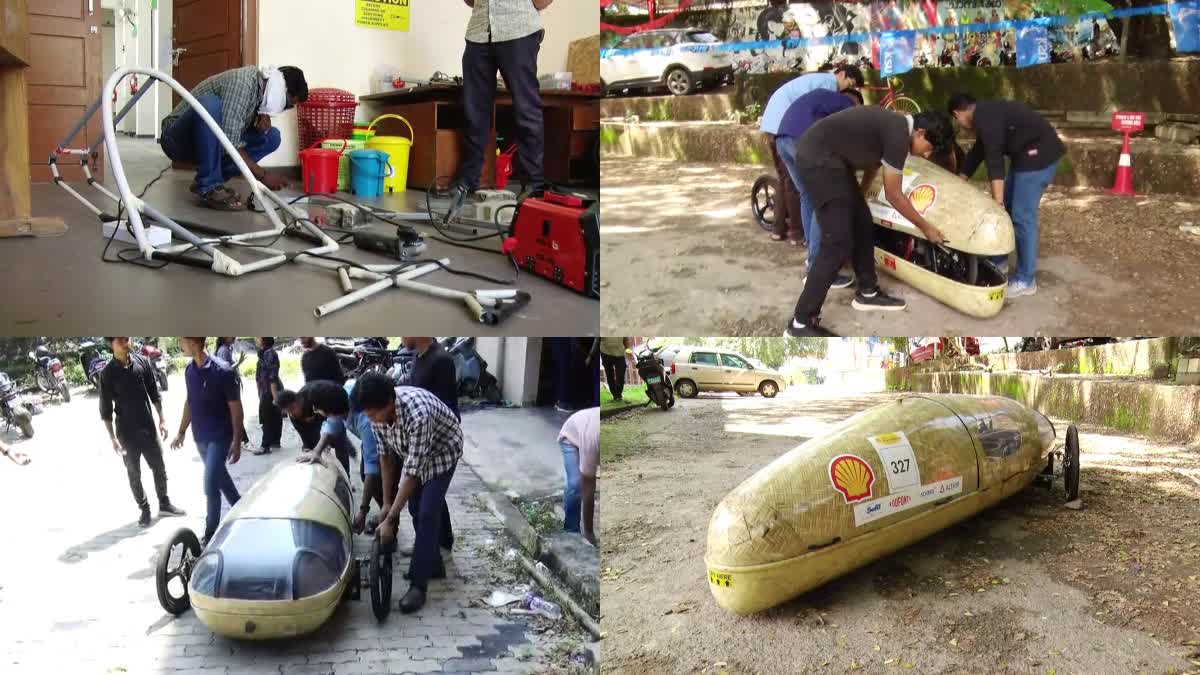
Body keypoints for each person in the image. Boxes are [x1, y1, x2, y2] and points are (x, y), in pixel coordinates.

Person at [786, 107, 956, 336]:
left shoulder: (895, 129)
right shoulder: (897, 134)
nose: (927, 154)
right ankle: (801, 322)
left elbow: (873, 162)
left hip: (835, 161)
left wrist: (859, 199)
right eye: (929, 148)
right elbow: (894, 194)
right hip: (819, 160)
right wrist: (926, 228)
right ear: (920, 133)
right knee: (837, 243)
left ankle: (867, 292)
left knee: (863, 222)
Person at [352, 374, 463, 614]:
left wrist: (392, 518)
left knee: (426, 514)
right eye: (368, 415)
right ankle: (433, 563)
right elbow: (385, 457)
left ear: (390, 402)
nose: (371, 419)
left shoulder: (417, 414)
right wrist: (386, 505)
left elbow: (412, 473)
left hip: (442, 452)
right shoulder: (376, 415)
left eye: (373, 414)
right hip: (413, 453)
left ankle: (418, 586)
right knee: (414, 507)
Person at [443, 0, 556, 223]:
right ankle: (468, 181)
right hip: (479, 32)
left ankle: (534, 184)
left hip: (519, 29)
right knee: (474, 112)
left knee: (526, 109)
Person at [947, 93, 1065, 298]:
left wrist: (997, 202)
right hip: (1025, 158)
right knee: (1009, 209)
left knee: (1022, 218)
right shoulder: (986, 113)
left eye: (956, 120)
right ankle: (999, 260)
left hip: (1038, 157)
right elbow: (979, 151)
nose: (960, 124)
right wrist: (961, 179)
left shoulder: (986, 117)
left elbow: (995, 162)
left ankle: (1026, 280)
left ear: (958, 113)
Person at [159, 66, 307, 210]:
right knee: (210, 104)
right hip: (175, 139)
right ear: (280, 90)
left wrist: (256, 120)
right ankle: (209, 186)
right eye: (288, 104)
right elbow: (230, 142)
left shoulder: (259, 95)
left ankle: (213, 183)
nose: (284, 108)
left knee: (272, 137)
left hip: (205, 144)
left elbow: (232, 133)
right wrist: (263, 175)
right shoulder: (242, 83)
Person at [760, 65, 865, 244]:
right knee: (808, 189)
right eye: (849, 82)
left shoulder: (818, 81)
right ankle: (798, 234)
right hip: (786, 125)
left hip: (780, 127)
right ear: (841, 74)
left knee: (791, 182)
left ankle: (784, 230)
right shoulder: (828, 84)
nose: (847, 88)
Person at [776, 88, 864, 283]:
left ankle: (812, 259)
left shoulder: (823, 98)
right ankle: (817, 269)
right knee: (822, 198)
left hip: (782, 139)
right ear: (855, 101)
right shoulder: (847, 104)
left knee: (807, 196)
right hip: (802, 140)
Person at [100, 337, 186, 527]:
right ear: (111, 343)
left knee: (159, 466)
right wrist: (112, 438)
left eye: (127, 337)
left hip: (148, 427)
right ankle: (144, 509)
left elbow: (154, 393)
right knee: (134, 473)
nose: (125, 341)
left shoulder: (143, 362)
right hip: (125, 434)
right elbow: (105, 410)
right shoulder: (107, 374)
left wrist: (162, 419)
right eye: (120, 339)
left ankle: (164, 503)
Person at [171, 338, 242, 544]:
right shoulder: (189, 371)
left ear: (192, 342)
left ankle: (210, 534)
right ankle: (242, 509)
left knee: (210, 483)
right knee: (221, 479)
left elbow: (236, 409)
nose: (179, 344)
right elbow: (190, 402)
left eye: (181, 341)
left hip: (220, 436)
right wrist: (182, 430)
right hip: (200, 436)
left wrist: (236, 441)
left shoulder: (223, 371)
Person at [399, 337, 458, 549]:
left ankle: (431, 549)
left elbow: (446, 405)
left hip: (437, 437)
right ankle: (443, 540)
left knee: (424, 501)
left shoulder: (441, 360)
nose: (400, 337)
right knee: (431, 498)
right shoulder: (418, 355)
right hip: (423, 433)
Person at [344, 381, 384, 534]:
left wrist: (363, 511)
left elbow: (373, 467)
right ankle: (386, 513)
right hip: (379, 438)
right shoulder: (339, 402)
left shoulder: (368, 422)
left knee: (381, 480)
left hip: (385, 438)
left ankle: (390, 521)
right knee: (368, 475)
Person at [293, 380, 354, 477]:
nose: (314, 410)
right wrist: (317, 451)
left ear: (329, 410)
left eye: (317, 408)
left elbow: (372, 464)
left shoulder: (366, 421)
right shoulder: (340, 405)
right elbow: (332, 425)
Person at [558, 407, 598, 545]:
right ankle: (571, 532)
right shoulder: (592, 437)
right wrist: (589, 533)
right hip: (571, 438)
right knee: (576, 485)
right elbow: (589, 487)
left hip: (585, 430)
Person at [214, 338, 249, 448]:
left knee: (234, 413)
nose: (234, 337)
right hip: (228, 387)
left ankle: (241, 440)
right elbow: (224, 369)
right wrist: (238, 363)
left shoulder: (228, 348)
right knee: (234, 414)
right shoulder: (223, 350)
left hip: (231, 386)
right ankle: (241, 440)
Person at [252, 337, 283, 455]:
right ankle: (275, 441)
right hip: (265, 390)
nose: (256, 339)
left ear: (264, 339)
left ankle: (265, 445)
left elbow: (272, 376)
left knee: (267, 416)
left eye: (258, 337)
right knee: (272, 415)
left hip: (270, 390)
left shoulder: (270, 354)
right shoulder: (264, 353)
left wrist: (275, 396)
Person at [599, 337, 632, 402]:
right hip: (605, 353)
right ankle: (616, 396)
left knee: (621, 373)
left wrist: (628, 351)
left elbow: (626, 339)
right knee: (609, 375)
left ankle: (618, 394)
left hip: (620, 353)